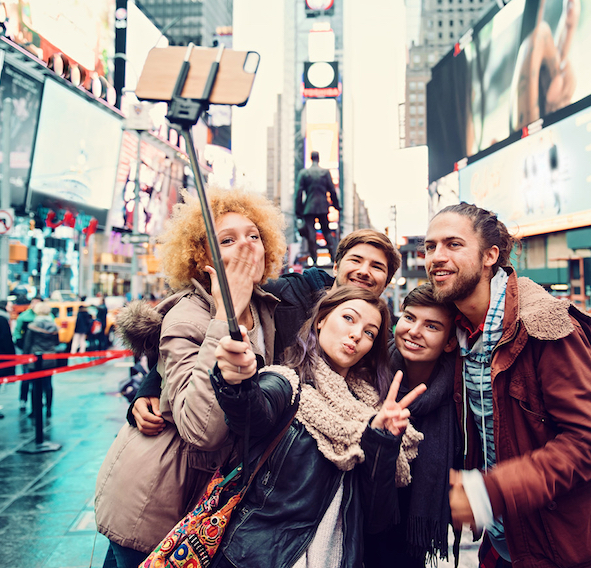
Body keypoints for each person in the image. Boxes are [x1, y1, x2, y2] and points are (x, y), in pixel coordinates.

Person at [95, 187, 286, 568]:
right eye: (227, 240)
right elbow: (202, 429)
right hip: (155, 502)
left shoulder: (267, 307)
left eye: (254, 236)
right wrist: (221, 316)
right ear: (202, 257)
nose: (246, 246)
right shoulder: (188, 317)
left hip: (206, 503)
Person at [425, 203, 591, 568]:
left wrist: (490, 491)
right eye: (430, 246)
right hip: (506, 540)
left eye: (453, 244)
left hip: (567, 546)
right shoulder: (455, 330)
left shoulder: (544, 324)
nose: (436, 257)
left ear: (490, 256)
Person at [206, 286, 421, 568]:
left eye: (370, 332)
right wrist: (236, 381)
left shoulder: (372, 411)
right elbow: (250, 412)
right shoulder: (286, 383)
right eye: (348, 318)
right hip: (255, 559)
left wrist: (381, 439)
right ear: (321, 319)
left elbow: (376, 520)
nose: (357, 334)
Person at [128, 228, 401, 436]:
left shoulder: (383, 344)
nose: (364, 271)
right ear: (337, 266)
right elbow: (211, 315)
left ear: (386, 282)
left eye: (377, 267)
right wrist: (152, 384)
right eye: (356, 260)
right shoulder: (287, 292)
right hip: (258, 431)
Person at [364, 284, 460, 567]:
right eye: (409, 318)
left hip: (410, 540)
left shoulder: (459, 392)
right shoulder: (369, 369)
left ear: (450, 342)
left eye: (431, 326)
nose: (414, 331)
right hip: (360, 525)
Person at [295, 150, 340, 264]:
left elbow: (298, 193)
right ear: (318, 159)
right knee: (327, 232)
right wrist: (336, 206)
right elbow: (332, 191)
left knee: (311, 233)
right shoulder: (325, 172)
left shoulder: (304, 173)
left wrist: (298, 210)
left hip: (309, 207)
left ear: (311, 158)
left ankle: (314, 260)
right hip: (323, 207)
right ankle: (333, 257)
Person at [22, 302, 60, 417]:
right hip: (50, 358)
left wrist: (25, 358)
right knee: (48, 384)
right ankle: (48, 409)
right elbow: (57, 343)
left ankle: (35, 410)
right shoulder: (53, 326)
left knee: (35, 385)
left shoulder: (33, 326)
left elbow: (27, 344)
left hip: (35, 359)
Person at [13, 298, 41, 410]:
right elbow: (17, 332)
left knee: (41, 380)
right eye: (34, 303)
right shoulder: (24, 316)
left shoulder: (47, 317)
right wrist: (21, 345)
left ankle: (39, 399)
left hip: (41, 354)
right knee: (26, 378)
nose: (35, 305)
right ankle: (23, 400)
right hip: (27, 352)